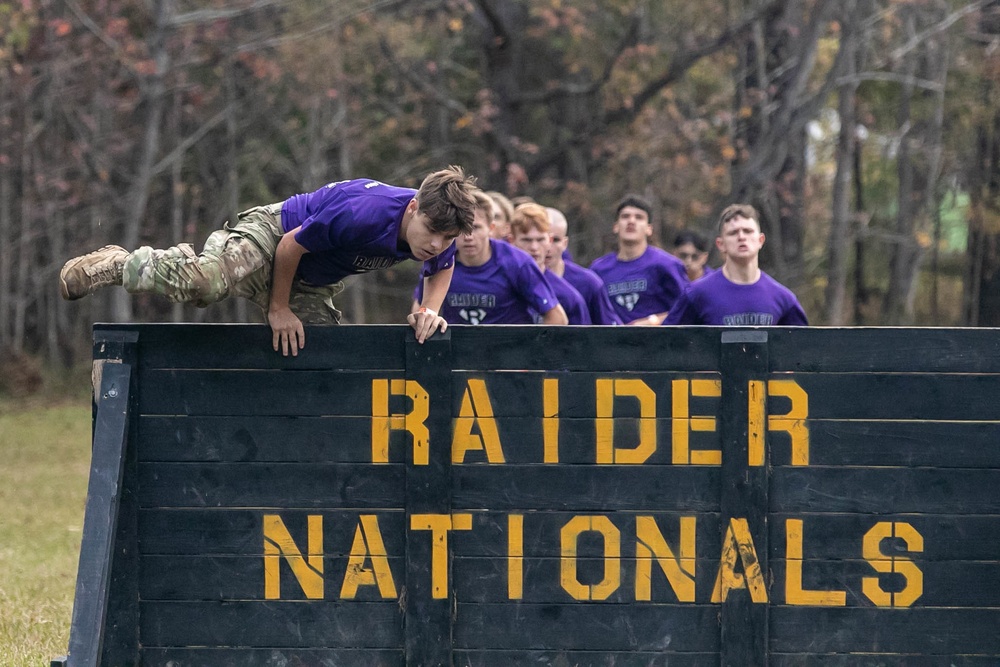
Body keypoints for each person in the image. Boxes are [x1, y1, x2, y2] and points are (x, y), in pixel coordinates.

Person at [60, 166, 479, 356]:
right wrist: (278, 308)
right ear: (411, 209)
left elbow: (442, 268)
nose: (438, 245)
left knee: (322, 356)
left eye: (448, 238)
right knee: (205, 285)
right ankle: (121, 263)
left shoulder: (441, 235)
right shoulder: (363, 212)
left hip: (312, 279)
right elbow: (290, 247)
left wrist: (428, 310)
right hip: (274, 236)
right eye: (432, 233)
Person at [412, 191, 568, 325]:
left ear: (491, 228)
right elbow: (420, 311)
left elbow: (557, 318)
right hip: (459, 356)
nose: (468, 237)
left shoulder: (517, 262)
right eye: (462, 229)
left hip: (508, 355)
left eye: (476, 228)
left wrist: (529, 353)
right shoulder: (440, 261)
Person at [665, 203, 808, 326]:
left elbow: (803, 350)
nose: (741, 237)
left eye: (748, 231)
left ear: (760, 240)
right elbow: (665, 343)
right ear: (720, 244)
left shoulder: (783, 298)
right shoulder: (697, 294)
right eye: (733, 233)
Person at [589, 194, 688, 325]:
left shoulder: (667, 265)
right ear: (616, 226)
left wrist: (652, 322)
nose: (631, 221)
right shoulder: (598, 269)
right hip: (611, 343)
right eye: (625, 216)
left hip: (657, 342)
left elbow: (687, 309)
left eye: (639, 217)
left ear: (649, 229)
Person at [510, 203, 590, 325]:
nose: (534, 247)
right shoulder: (498, 282)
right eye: (526, 240)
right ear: (512, 240)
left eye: (540, 239)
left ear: (549, 240)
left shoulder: (568, 297)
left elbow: (583, 341)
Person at [545, 206, 622, 325]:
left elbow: (611, 333)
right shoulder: (517, 281)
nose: (548, 247)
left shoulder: (589, 283)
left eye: (555, 240)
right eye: (543, 239)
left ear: (565, 243)